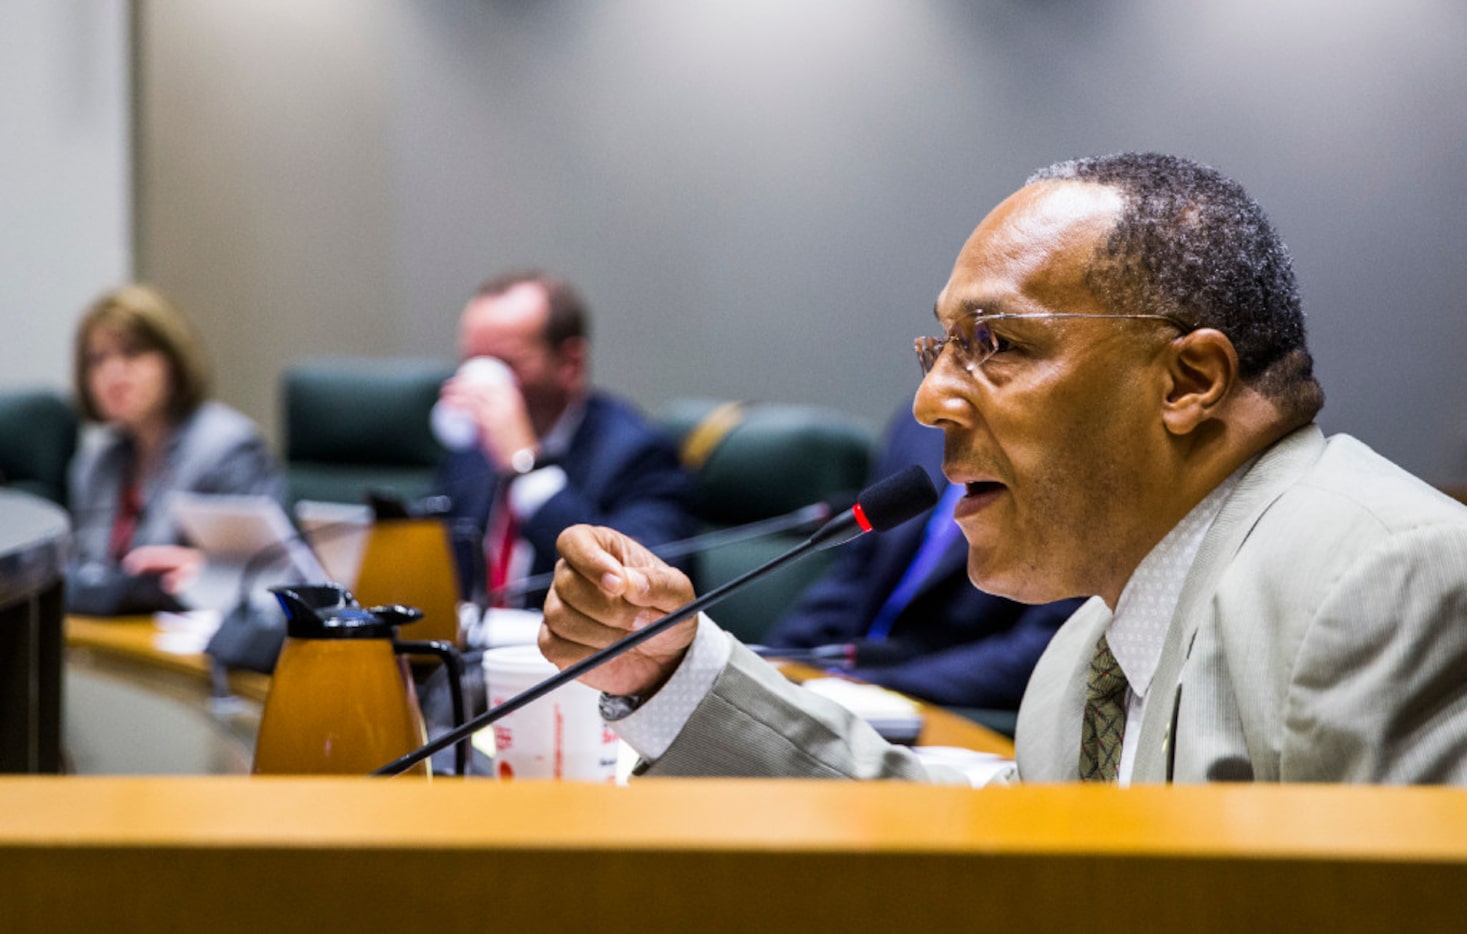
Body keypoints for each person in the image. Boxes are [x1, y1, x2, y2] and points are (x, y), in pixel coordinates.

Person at [541, 152, 1467, 785]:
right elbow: (982, 854)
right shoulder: (1086, 659)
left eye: (995, 344)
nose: (930, 400)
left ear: (1187, 380)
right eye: (937, 349)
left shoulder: (1381, 579)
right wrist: (667, 670)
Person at [761, 403, 1082, 712]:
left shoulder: (1073, 446)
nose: (933, 386)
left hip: (950, 713)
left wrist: (868, 686)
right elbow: (855, 574)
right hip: (842, 690)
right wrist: (770, 668)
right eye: (935, 351)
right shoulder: (920, 426)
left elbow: (1044, 649)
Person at [433, 270, 697, 610]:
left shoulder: (637, 453)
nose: (484, 385)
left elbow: (639, 583)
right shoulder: (473, 452)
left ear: (570, 364)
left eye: (506, 363)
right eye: (474, 362)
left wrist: (526, 466)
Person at [67, 284, 287, 615]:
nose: (112, 373)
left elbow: (267, 577)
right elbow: (83, 572)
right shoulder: (95, 464)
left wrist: (208, 573)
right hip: (111, 643)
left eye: (132, 353)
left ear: (173, 361)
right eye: (97, 360)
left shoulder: (227, 449)